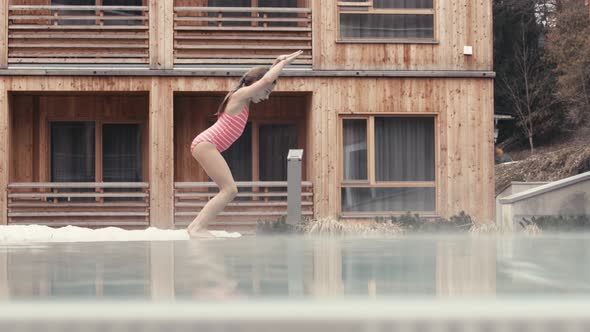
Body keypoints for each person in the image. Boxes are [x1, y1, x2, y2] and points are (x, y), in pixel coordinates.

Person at [187, 50, 303, 238]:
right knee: (230, 189)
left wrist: (275, 64)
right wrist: (283, 64)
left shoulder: (243, 98)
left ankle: (195, 227)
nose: (266, 97)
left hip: (206, 145)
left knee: (229, 189)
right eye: (266, 93)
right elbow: (265, 80)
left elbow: (264, 80)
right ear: (255, 86)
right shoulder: (240, 96)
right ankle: (196, 228)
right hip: (206, 144)